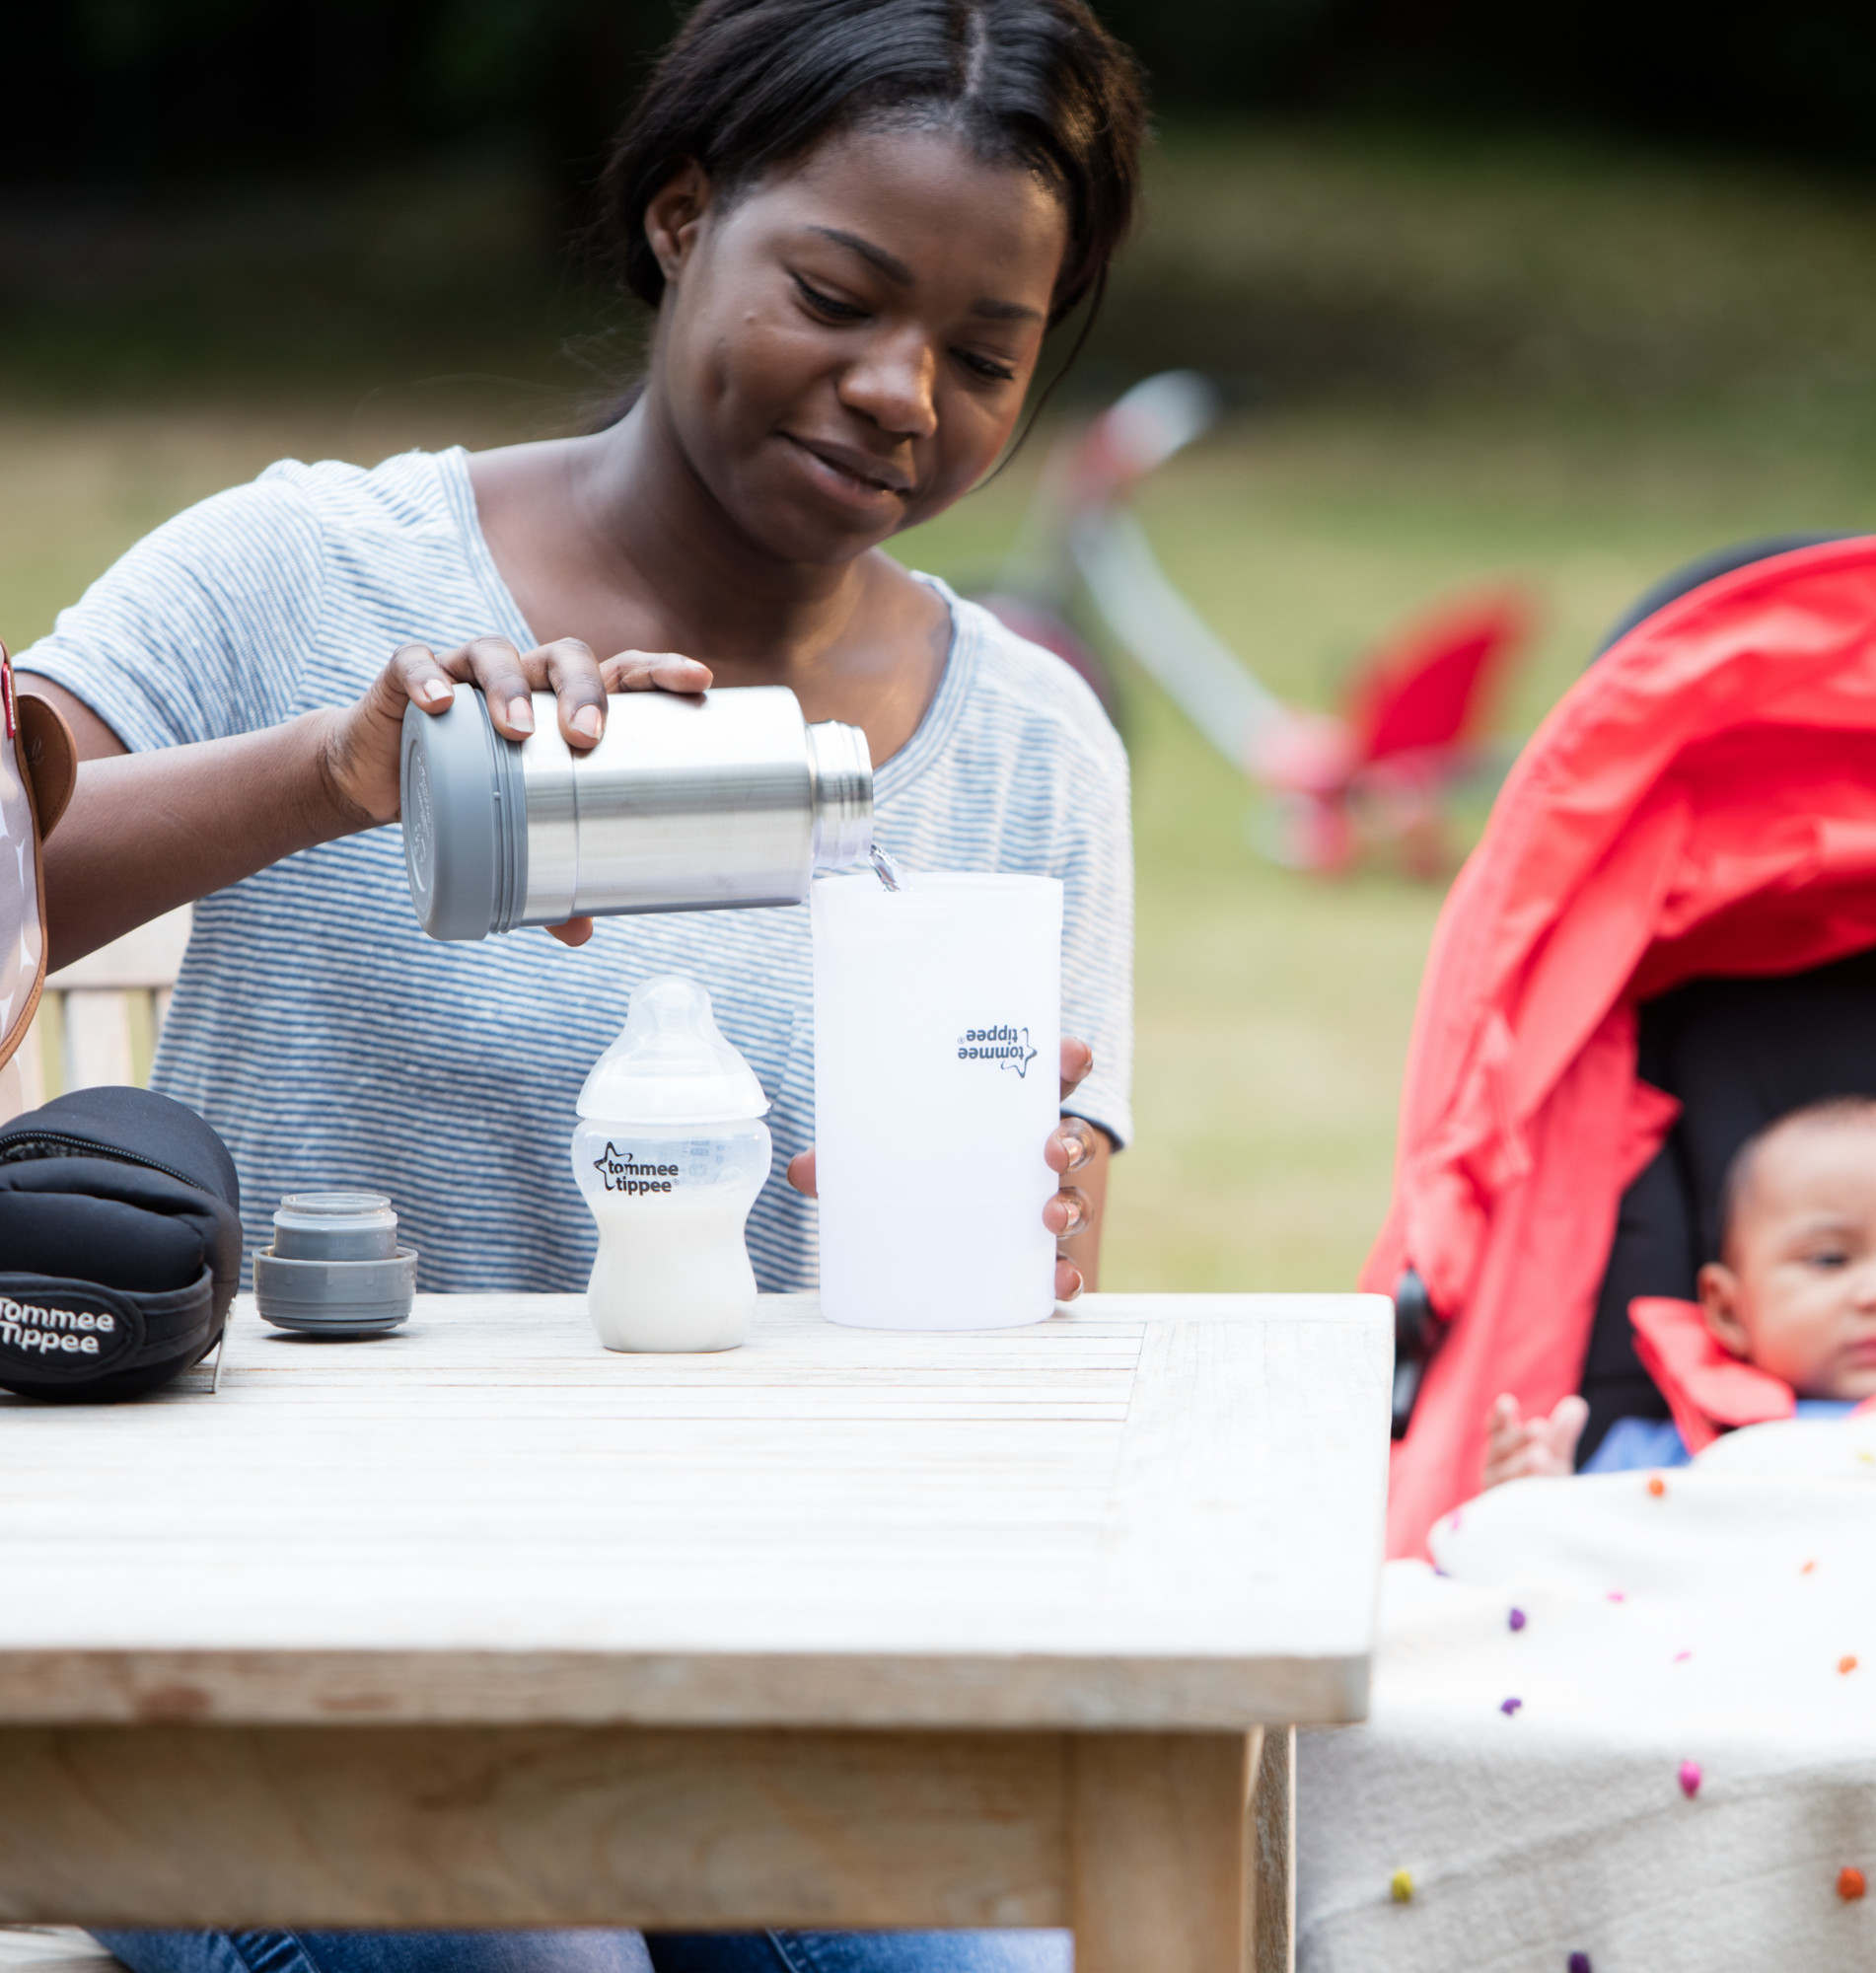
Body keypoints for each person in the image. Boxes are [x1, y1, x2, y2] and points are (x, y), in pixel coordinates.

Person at [26, 0, 1146, 1967]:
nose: (903, 394)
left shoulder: (1027, 745)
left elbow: (1052, 1269)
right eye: (836, 293)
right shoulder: (304, 569)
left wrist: (1024, 1211)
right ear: (680, 214)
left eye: (984, 355)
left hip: (772, 1661)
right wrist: (331, 770)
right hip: (269, 1664)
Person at [1483, 1095, 1876, 1487]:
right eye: (1830, 1259)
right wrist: (1532, 1503)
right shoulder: (1649, 1457)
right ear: (1727, 1310)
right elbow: (1576, 1565)